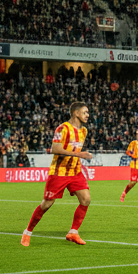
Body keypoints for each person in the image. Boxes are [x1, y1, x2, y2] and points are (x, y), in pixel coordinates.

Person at [20, 102, 94, 247]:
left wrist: (78, 156)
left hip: (75, 171)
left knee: (86, 199)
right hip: (59, 172)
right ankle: (27, 232)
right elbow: (55, 149)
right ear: (76, 113)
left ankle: (73, 232)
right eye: (85, 112)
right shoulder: (62, 128)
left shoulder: (84, 131)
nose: (87, 115)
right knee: (47, 204)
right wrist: (80, 154)